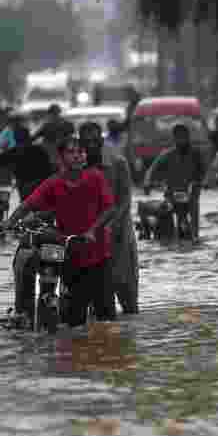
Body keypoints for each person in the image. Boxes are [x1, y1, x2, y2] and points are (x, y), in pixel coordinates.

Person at [2, 136, 118, 328]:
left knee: (106, 318)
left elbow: (110, 209)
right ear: (61, 157)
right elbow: (28, 204)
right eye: (71, 152)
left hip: (98, 253)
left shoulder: (95, 177)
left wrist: (92, 231)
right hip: (70, 254)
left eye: (80, 152)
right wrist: (9, 222)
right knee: (74, 321)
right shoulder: (53, 183)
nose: (77, 156)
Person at [79, 121, 138, 314]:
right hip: (89, 234)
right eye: (86, 141)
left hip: (119, 232)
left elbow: (125, 199)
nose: (90, 145)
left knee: (125, 286)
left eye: (94, 140)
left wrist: (112, 225)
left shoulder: (118, 162)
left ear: (101, 140)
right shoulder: (77, 166)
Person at [143, 123, 207, 240]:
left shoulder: (196, 155)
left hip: (191, 196)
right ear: (174, 138)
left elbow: (205, 172)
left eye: (183, 137)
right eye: (178, 137)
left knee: (194, 220)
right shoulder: (167, 154)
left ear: (188, 137)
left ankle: (195, 236)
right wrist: (147, 183)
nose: (181, 140)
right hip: (171, 195)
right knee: (166, 225)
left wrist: (204, 182)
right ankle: (155, 228)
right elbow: (151, 169)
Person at [0, 126, 55, 201]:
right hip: (43, 188)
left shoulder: (13, 152)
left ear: (15, 138)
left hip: (29, 190)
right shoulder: (40, 151)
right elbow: (50, 169)